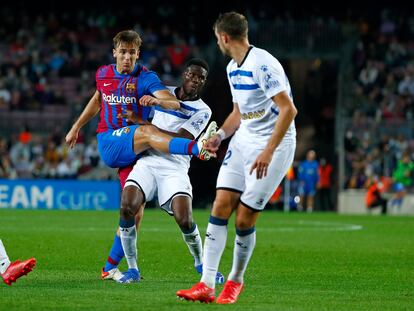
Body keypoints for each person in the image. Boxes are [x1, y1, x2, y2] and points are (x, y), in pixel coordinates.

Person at [176, 11, 297, 304]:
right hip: (244, 140)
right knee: (220, 205)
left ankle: (235, 281)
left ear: (224, 37)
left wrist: (268, 152)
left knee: (243, 219)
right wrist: (220, 136)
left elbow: (288, 110)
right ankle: (206, 284)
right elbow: (238, 114)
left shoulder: (263, 65)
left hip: (274, 146)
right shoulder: (232, 68)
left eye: (217, 38)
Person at [110, 58, 223, 284]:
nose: (195, 80)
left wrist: (143, 124)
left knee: (185, 219)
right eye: (192, 74)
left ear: (204, 82)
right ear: (184, 74)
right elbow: (140, 121)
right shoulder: (163, 93)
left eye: (200, 77)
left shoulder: (203, 110)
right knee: (127, 207)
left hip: (175, 166)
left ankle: (201, 263)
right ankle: (132, 269)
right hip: (149, 161)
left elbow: (180, 139)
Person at [65, 29, 215, 172]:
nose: (127, 57)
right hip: (111, 139)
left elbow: (174, 103)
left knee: (132, 199)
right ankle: (196, 148)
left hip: (137, 146)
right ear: (114, 53)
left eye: (132, 52)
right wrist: (75, 127)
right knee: (148, 130)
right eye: (123, 52)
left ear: (138, 54)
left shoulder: (147, 78)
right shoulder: (103, 73)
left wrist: (157, 101)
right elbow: (97, 100)